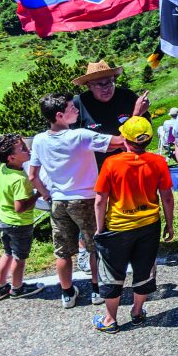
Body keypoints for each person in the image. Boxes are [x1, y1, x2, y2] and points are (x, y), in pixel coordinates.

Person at [28, 93, 122, 308]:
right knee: (94, 247)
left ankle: (67, 293)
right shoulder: (80, 135)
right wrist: (135, 114)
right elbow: (118, 142)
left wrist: (46, 194)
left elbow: (33, 176)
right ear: (60, 115)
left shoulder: (39, 140)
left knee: (62, 251)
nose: (77, 110)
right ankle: (97, 290)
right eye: (72, 108)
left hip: (58, 201)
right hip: (85, 198)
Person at [91, 117, 174, 333]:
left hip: (118, 227)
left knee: (112, 271)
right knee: (144, 268)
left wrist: (100, 229)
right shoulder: (158, 162)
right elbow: (166, 196)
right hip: (149, 224)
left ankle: (110, 320)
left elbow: (100, 199)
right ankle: (137, 313)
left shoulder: (111, 163)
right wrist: (170, 224)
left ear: (125, 140)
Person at [0, 133, 43, 301]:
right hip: (19, 223)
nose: (28, 150)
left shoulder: (4, 169)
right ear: (12, 157)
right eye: (23, 149)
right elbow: (20, 208)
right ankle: (17, 288)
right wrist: (37, 194)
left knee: (7, 252)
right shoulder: (19, 179)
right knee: (19, 257)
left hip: (4, 218)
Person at [71, 60, 150, 169]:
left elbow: (146, 128)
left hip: (131, 162)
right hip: (96, 167)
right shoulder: (78, 103)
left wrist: (134, 144)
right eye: (100, 84)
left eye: (109, 82)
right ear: (89, 86)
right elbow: (73, 140)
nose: (106, 88)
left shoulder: (127, 97)